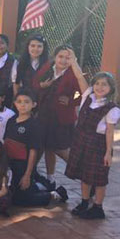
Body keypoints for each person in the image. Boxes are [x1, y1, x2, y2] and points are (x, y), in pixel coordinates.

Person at [66, 72, 120, 220]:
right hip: (82, 142)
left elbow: (109, 132)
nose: (100, 87)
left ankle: (98, 206)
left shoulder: (111, 109)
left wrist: (108, 153)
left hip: (98, 145)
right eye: (97, 83)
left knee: (99, 178)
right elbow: (79, 77)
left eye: (104, 84)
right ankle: (84, 202)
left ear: (111, 88)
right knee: (85, 175)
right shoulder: (88, 98)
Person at [33, 45, 88, 188]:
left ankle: (85, 175)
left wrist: (71, 101)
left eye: (67, 57)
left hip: (62, 118)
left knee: (61, 150)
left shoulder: (73, 73)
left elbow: (82, 92)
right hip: (44, 115)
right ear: (55, 57)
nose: (63, 60)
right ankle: (50, 178)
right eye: (61, 56)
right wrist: (42, 86)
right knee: (47, 148)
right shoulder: (48, 67)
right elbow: (35, 83)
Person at [4, 91, 68, 207]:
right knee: (10, 193)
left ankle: (53, 193)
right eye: (19, 102)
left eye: (26, 102)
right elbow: (6, 142)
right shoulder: (11, 120)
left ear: (34, 104)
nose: (22, 105)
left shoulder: (34, 125)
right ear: (15, 104)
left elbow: (33, 151)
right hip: (11, 164)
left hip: (23, 166)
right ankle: (40, 183)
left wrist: (27, 175)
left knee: (21, 200)